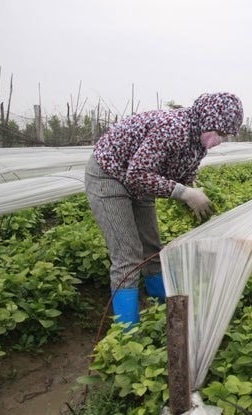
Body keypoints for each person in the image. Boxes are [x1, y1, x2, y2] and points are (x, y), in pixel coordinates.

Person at [85, 92, 243, 327]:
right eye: (220, 133)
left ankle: (166, 314)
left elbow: (184, 174)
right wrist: (185, 194)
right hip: (109, 176)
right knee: (128, 255)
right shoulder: (173, 128)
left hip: (142, 182)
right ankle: (127, 335)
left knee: (152, 250)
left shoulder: (197, 140)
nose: (221, 139)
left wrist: (196, 195)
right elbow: (137, 174)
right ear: (209, 121)